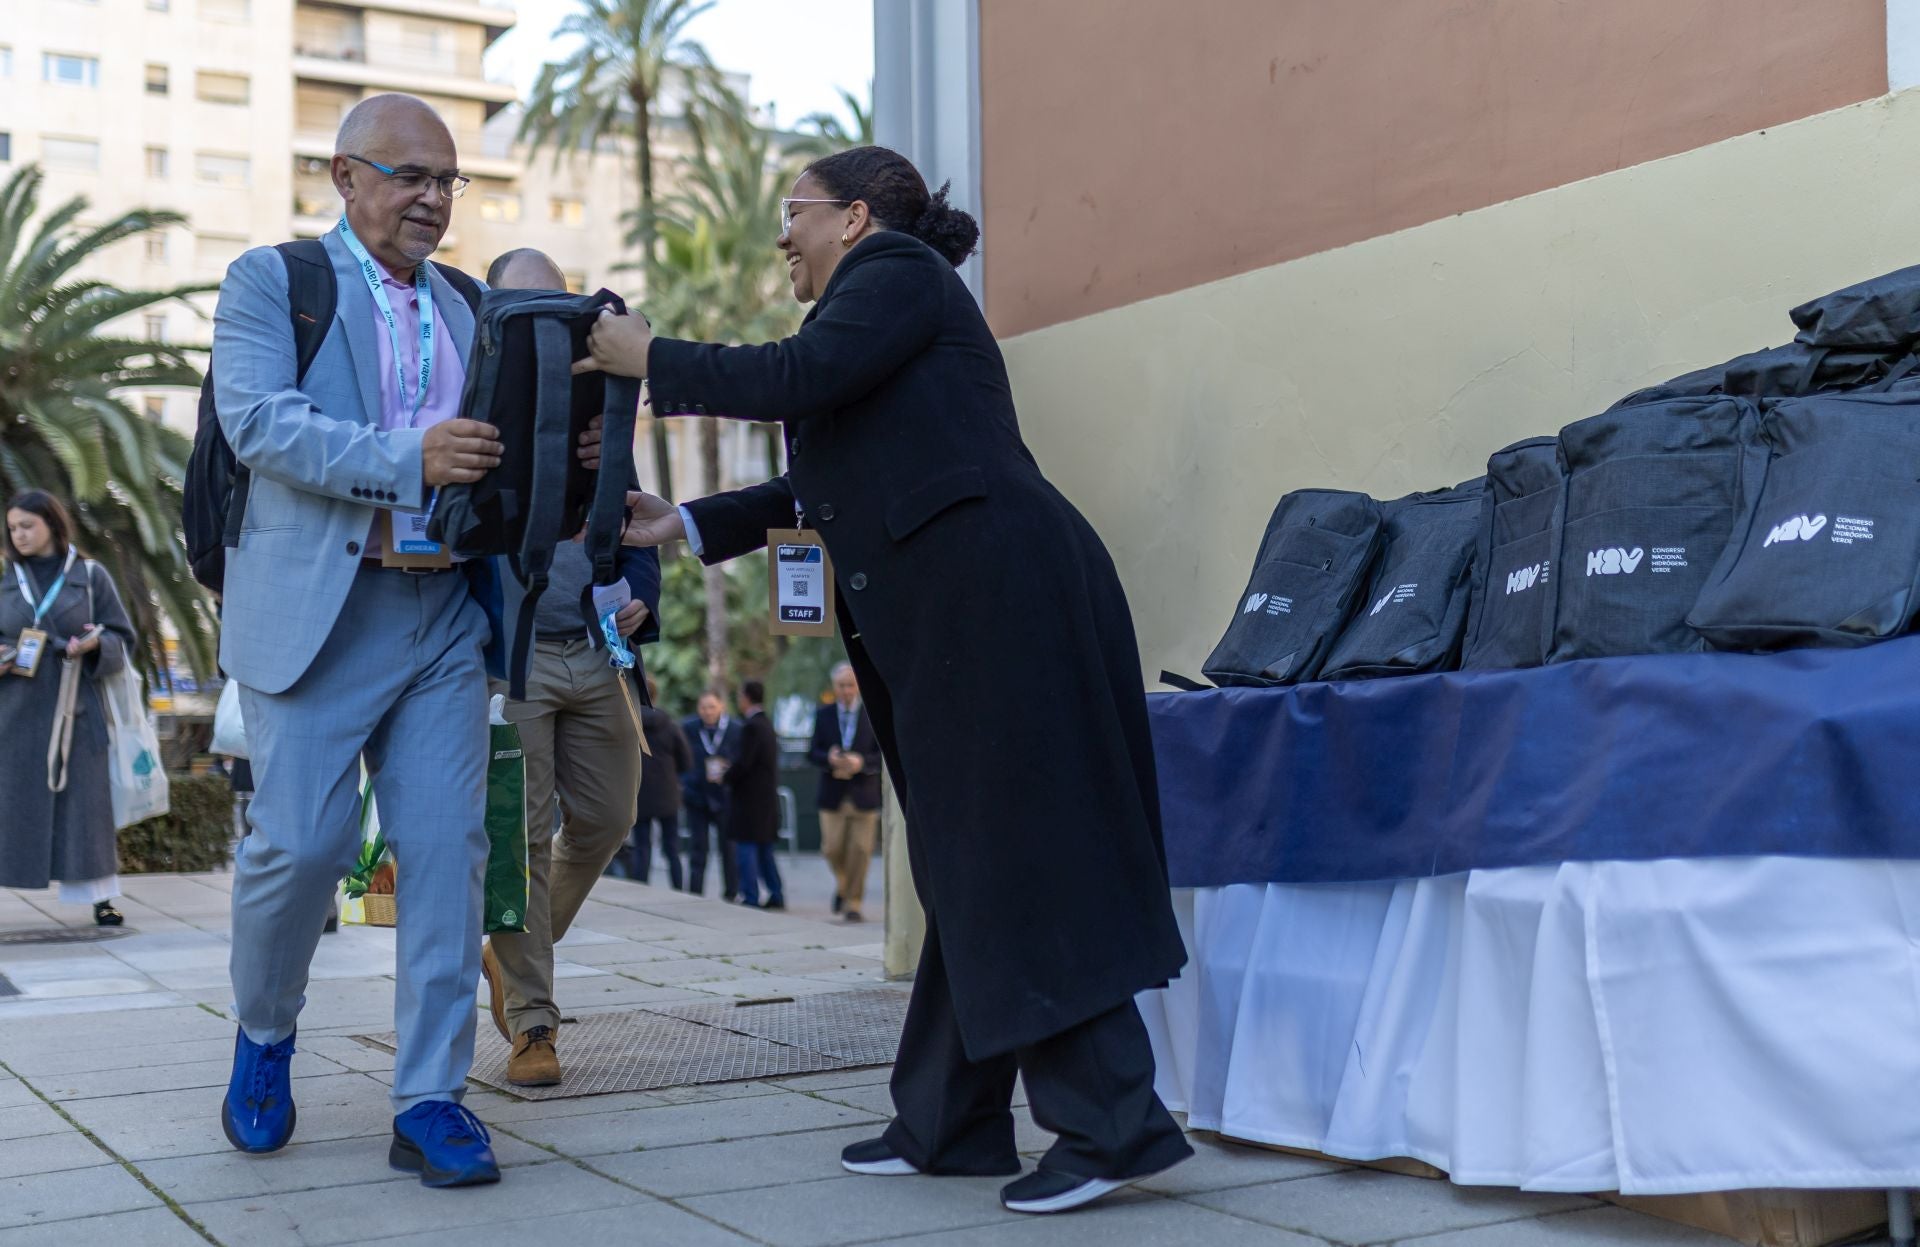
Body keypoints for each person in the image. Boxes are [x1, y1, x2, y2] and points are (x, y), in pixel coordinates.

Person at [572, 145, 1192, 1214]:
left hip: (1003, 603)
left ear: (855, 218)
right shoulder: (875, 316)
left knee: (1017, 853)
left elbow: (790, 377)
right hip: (967, 614)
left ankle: (1113, 1124)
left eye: (794, 213)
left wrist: (650, 357)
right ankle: (948, 1120)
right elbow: (825, 479)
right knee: (966, 858)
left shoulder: (897, 274)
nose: (782, 237)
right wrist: (687, 521)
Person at [212, 93, 505, 1185]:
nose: (432, 198)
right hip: (317, 613)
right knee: (299, 848)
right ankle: (266, 1030)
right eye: (409, 175)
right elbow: (259, 423)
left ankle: (431, 1095)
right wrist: (407, 456)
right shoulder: (271, 284)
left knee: (446, 857)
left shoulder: (471, 304)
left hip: (442, 613)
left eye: (446, 180)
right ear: (345, 175)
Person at [474, 248, 661, 1090]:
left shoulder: (599, 410)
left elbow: (634, 526)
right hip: (512, 668)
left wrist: (642, 602)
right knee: (517, 844)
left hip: (597, 657)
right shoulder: (472, 409)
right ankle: (533, 1025)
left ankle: (506, 958)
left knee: (609, 817)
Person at [0, 490, 137, 927]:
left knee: (85, 809)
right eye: (13, 527)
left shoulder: (91, 575)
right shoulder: (5, 578)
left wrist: (97, 644)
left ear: (52, 525)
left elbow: (122, 637)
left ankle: (101, 898)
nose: (18, 535)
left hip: (77, 710)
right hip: (13, 715)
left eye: (27, 526)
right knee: (9, 805)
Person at [809, 662, 881, 922]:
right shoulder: (824, 714)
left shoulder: (874, 713)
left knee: (861, 851)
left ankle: (854, 903)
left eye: (850, 685)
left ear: (858, 686)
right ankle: (843, 886)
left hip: (864, 794)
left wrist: (862, 763)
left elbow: (882, 754)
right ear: (834, 687)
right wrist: (828, 758)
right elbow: (812, 752)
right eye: (841, 685)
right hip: (832, 795)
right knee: (831, 849)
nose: (846, 690)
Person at [724, 680, 784, 910]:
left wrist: (726, 775)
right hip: (766, 798)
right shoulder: (767, 724)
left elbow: (744, 762)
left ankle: (750, 894)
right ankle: (776, 892)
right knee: (765, 850)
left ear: (746, 697)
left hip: (749, 800)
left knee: (746, 849)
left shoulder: (751, 727)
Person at [630, 676, 692, 886]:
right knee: (672, 848)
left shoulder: (630, 725)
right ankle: (678, 887)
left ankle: (640, 887)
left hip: (640, 792)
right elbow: (686, 760)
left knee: (641, 847)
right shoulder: (670, 725)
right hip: (668, 794)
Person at [680, 689, 742, 898]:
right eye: (704, 707)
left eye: (712, 707)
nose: (708, 712)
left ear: (722, 706)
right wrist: (687, 784)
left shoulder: (735, 729)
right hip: (697, 797)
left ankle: (732, 892)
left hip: (726, 797)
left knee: (729, 849)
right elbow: (681, 759)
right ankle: (695, 893)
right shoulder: (688, 728)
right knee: (698, 848)